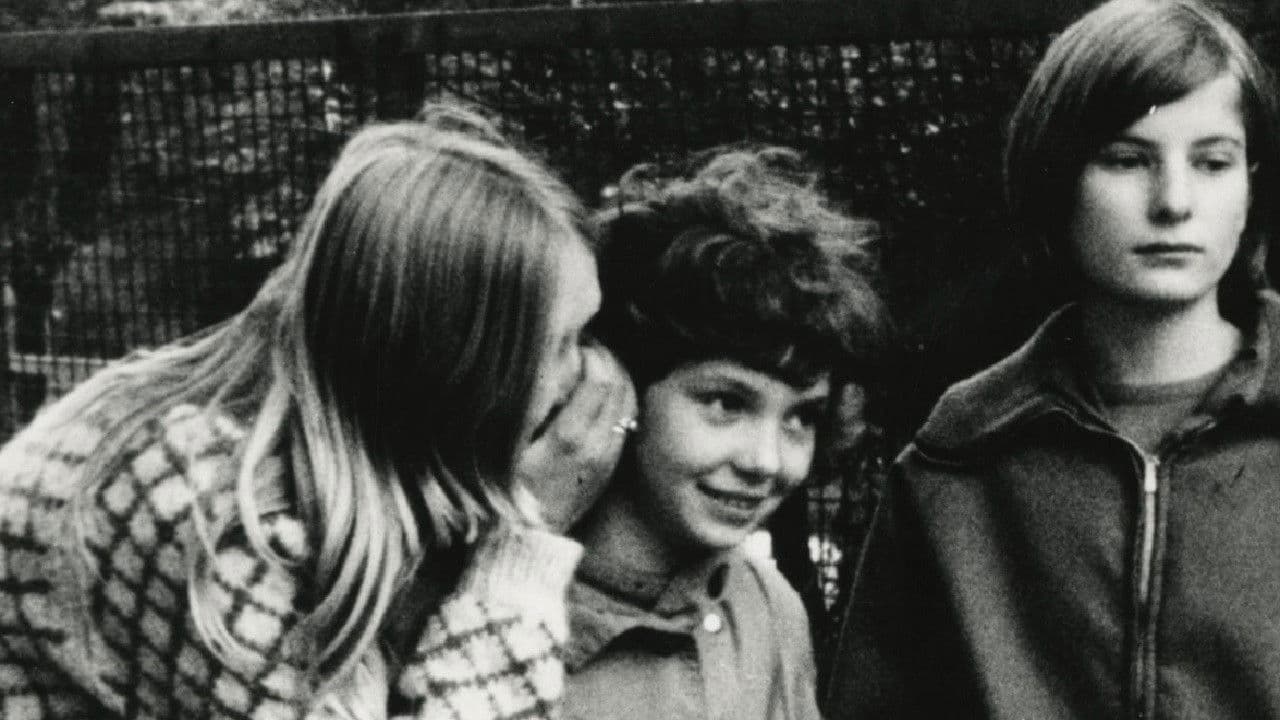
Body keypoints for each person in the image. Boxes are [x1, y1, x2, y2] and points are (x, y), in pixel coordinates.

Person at [0, 103, 636, 720]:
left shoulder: (324, 445)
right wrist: (526, 549)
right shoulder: (214, 513)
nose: (587, 373)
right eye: (560, 345)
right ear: (454, 371)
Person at [824, 0, 1280, 717]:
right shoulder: (961, 456)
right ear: (1057, 179)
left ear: (1251, 184)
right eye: (1127, 159)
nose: (1174, 201)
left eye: (1212, 162)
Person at [564, 146, 888, 720]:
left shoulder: (768, 608)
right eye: (726, 403)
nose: (767, 461)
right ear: (619, 383)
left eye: (801, 417)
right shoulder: (502, 608)